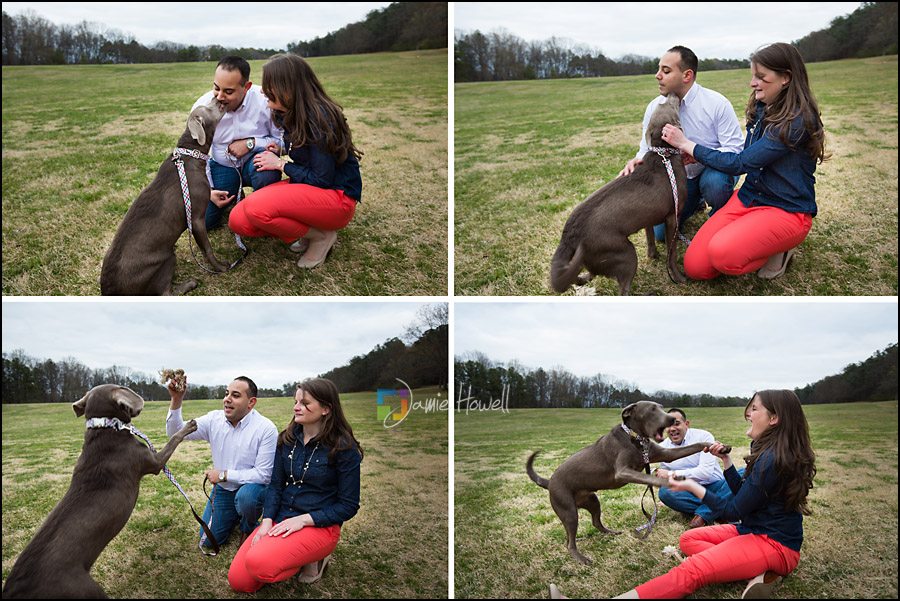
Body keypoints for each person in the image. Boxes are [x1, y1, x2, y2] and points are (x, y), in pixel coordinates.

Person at [551, 389, 816, 599]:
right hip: (751, 530)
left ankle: (749, 564)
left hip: (775, 544)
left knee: (693, 570)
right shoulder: (765, 449)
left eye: (754, 409)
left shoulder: (772, 459)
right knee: (688, 539)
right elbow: (743, 495)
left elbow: (733, 510)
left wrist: (690, 485)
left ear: (774, 419)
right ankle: (754, 570)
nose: (748, 414)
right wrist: (726, 462)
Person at [661, 42, 830, 281]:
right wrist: (697, 154)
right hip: (749, 197)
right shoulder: (763, 108)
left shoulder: (797, 121)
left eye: (761, 77)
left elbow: (741, 163)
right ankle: (752, 235)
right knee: (695, 267)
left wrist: (687, 144)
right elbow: (746, 156)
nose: (753, 83)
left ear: (786, 78)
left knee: (723, 254)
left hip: (786, 209)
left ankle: (781, 249)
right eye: (753, 76)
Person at [225, 54, 363, 270]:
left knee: (255, 209)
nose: (262, 91)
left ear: (287, 88)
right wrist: (282, 148)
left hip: (337, 197)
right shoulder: (290, 113)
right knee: (237, 220)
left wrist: (280, 164)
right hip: (309, 188)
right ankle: (309, 230)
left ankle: (320, 236)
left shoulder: (319, 118)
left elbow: (322, 178)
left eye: (268, 86)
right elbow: (310, 153)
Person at [228, 378, 363, 593]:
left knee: (259, 564)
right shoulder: (287, 440)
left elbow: (348, 506)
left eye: (305, 403)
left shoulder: (343, 448)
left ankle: (315, 558)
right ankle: (290, 553)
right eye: (296, 402)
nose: (296, 407)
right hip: (281, 519)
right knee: (239, 582)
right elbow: (276, 486)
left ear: (326, 409)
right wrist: (266, 522)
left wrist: (303, 520)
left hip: (319, 525)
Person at [619, 46, 744, 241]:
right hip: (680, 179)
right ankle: (695, 202)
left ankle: (721, 220)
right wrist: (637, 161)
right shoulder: (654, 107)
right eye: (659, 69)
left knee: (714, 183)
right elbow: (646, 147)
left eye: (666, 71)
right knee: (661, 235)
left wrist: (697, 154)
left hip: (714, 171)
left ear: (687, 75)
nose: (657, 75)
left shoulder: (717, 103)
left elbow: (735, 151)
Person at [165, 375, 278, 549]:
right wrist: (176, 399)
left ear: (251, 402)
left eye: (235, 395)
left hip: (252, 489)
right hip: (224, 490)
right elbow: (176, 432)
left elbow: (264, 475)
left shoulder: (266, 428)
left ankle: (247, 526)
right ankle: (234, 515)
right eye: (226, 394)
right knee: (209, 541)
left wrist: (224, 475)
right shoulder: (213, 420)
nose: (227, 399)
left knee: (247, 497)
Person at [192, 56, 284, 229]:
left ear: (246, 87)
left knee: (267, 173)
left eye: (228, 92)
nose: (220, 97)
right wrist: (209, 190)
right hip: (223, 166)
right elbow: (196, 154)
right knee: (205, 222)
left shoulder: (266, 101)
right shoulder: (202, 107)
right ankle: (234, 194)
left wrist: (251, 143)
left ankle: (262, 210)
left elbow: (283, 142)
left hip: (256, 164)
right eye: (216, 88)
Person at [654, 408, 731, 528]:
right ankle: (719, 510)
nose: (672, 428)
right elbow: (670, 481)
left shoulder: (704, 437)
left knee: (743, 473)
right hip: (690, 492)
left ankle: (705, 514)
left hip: (716, 487)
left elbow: (705, 473)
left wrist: (671, 474)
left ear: (686, 424)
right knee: (665, 492)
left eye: (676, 423)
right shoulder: (662, 448)